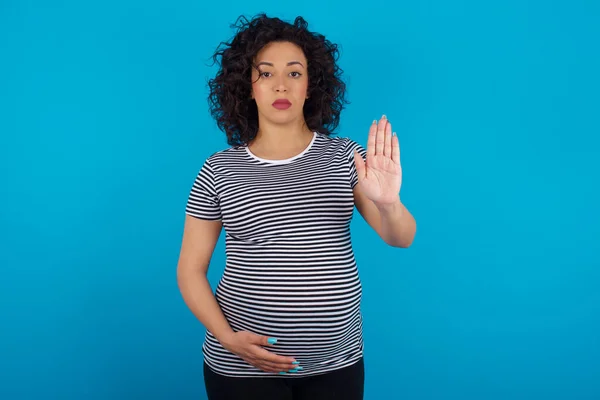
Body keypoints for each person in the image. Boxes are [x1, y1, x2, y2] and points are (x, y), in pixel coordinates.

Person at [176, 13, 417, 400]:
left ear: (311, 86)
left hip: (336, 365)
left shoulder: (346, 157)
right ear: (247, 87)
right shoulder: (218, 169)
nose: (280, 85)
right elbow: (189, 270)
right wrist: (227, 339)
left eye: (294, 72)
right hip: (242, 367)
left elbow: (401, 237)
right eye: (266, 73)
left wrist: (389, 204)